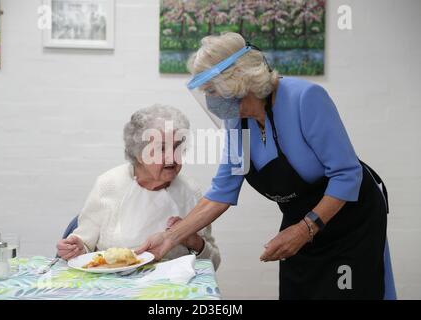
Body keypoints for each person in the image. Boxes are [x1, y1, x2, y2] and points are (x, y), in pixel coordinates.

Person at [137, 33, 390, 299]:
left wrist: (305, 229)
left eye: (211, 90)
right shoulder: (237, 123)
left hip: (349, 223)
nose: (209, 100)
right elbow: (221, 193)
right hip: (300, 223)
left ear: (236, 82)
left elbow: (347, 174)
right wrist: (168, 239)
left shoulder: (305, 98)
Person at [56, 104, 221, 270]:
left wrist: (193, 240)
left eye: (178, 146)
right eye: (161, 148)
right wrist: (76, 248)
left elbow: (213, 263)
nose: (172, 156)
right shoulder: (108, 184)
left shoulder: (191, 191)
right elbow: (84, 245)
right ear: (138, 152)